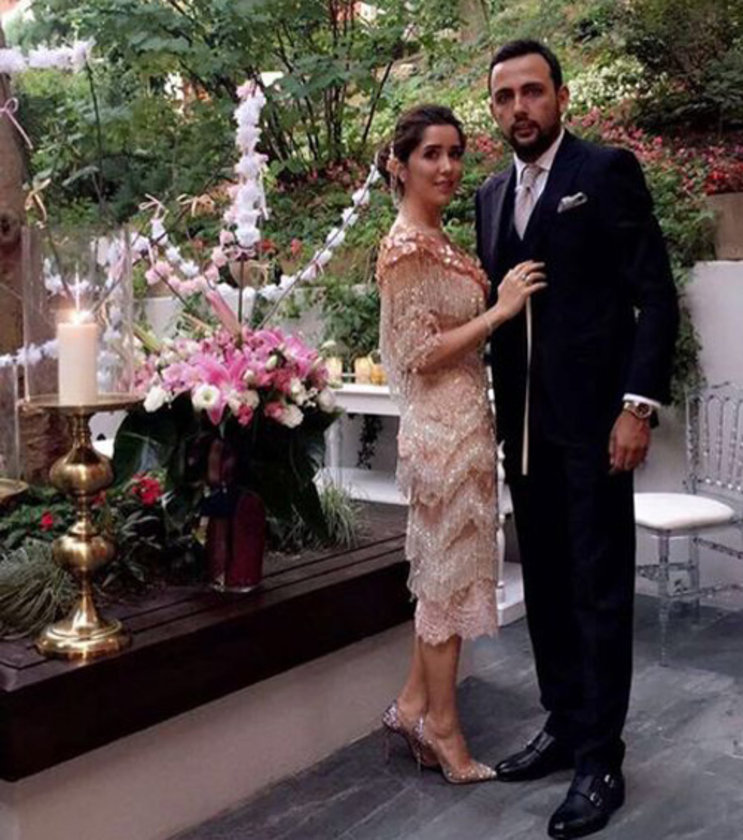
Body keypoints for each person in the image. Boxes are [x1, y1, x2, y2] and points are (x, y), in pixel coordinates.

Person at [476, 40, 679, 838]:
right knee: (549, 588)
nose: (518, 108)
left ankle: (600, 758)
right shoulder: (491, 195)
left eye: (531, 92)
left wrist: (636, 407)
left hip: (596, 427)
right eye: (504, 97)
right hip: (525, 433)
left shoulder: (603, 171)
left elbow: (654, 295)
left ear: (560, 96)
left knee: (598, 589)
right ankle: (562, 725)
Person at [376, 104, 546, 784]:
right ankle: (444, 730)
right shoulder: (405, 249)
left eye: (454, 153)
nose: (447, 167)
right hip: (440, 436)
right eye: (431, 155)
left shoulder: (437, 237)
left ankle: (412, 707)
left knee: (443, 583)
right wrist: (500, 311)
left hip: (466, 424)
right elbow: (418, 353)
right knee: (444, 587)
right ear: (400, 165)